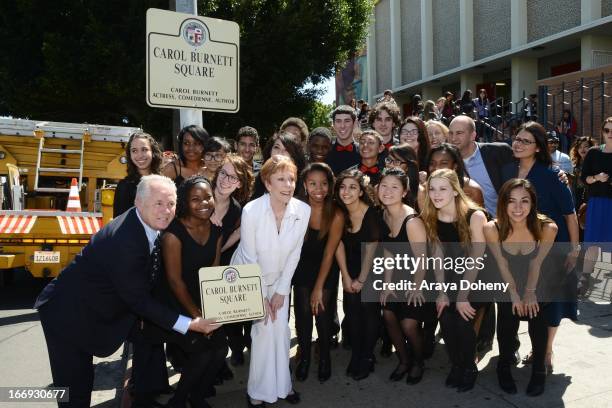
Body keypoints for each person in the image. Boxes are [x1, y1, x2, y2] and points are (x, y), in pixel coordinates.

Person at [34, 175, 220, 408]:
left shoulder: (148, 222)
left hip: (103, 307)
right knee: (75, 389)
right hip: (67, 315)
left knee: (86, 382)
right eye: (159, 203)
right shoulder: (125, 240)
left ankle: (145, 397)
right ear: (139, 203)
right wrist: (190, 323)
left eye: (171, 203)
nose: (166, 210)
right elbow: (138, 300)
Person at [231, 155, 310, 406]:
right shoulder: (251, 211)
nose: (288, 185)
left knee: (281, 332)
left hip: (280, 281)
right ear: (267, 183)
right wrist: (261, 297)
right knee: (263, 332)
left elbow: (295, 252)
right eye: (281, 179)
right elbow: (249, 255)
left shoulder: (303, 210)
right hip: (250, 277)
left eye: (292, 179)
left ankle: (282, 386)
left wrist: (281, 290)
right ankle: (257, 393)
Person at [501, 121, 580, 373]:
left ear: (538, 148)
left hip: (552, 245)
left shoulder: (551, 175)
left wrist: (574, 249)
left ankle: (545, 351)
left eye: (525, 141)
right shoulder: (507, 170)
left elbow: (570, 214)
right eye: (517, 138)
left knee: (551, 302)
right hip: (517, 247)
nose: (518, 143)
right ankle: (517, 348)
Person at [484, 178, 557, 396]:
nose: (517, 208)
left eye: (524, 201)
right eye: (511, 201)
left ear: (533, 203)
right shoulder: (492, 228)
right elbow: (501, 263)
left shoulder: (547, 228)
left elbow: (536, 263)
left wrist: (530, 293)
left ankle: (538, 370)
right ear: (503, 203)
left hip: (538, 281)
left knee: (538, 317)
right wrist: (514, 294)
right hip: (507, 281)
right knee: (507, 317)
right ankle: (504, 364)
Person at [161, 176, 228, 408]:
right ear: (184, 203)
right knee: (202, 354)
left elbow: (214, 272)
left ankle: (197, 396)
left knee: (220, 350)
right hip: (176, 303)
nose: (203, 203)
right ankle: (178, 401)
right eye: (195, 199)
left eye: (208, 197)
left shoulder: (217, 230)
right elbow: (174, 280)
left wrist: (217, 308)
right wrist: (197, 316)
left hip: (203, 299)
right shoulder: (173, 233)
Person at [420, 168, 488, 392]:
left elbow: (477, 259)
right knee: (445, 319)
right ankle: (457, 365)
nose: (436, 194)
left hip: (476, 277)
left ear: (456, 191)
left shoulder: (475, 216)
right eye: (432, 189)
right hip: (449, 276)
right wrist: (441, 292)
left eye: (443, 189)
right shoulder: (432, 216)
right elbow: (438, 257)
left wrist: (461, 296)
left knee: (461, 319)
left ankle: (469, 366)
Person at [378, 168, 430, 384]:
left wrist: (416, 288)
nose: (388, 191)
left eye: (394, 187)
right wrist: (387, 284)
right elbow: (389, 251)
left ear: (404, 191)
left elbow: (423, 259)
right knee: (388, 315)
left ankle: (418, 362)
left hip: (420, 277)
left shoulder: (412, 221)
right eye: (384, 185)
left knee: (409, 324)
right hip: (397, 274)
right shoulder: (384, 214)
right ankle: (403, 360)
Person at [292, 163, 344, 383]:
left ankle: (324, 357)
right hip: (302, 266)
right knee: (303, 315)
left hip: (326, 267)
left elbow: (329, 254)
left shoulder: (336, 213)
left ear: (330, 185)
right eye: (312, 183)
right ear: (304, 184)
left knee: (322, 315)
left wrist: (319, 287)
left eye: (323, 183)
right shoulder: (296, 207)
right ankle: (304, 357)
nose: (318, 188)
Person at [334, 169, 386, 381]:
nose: (346, 192)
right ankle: (356, 355)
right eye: (343, 187)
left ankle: (366, 356)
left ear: (362, 191)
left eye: (353, 187)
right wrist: (346, 277)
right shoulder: (338, 211)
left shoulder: (371, 212)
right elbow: (337, 244)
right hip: (350, 266)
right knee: (352, 310)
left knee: (369, 310)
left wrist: (362, 279)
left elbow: (373, 247)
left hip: (372, 267)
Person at [210, 155, 254, 367]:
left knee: (227, 317)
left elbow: (235, 234)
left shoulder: (237, 209)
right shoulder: (199, 194)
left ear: (240, 184)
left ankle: (233, 352)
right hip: (189, 264)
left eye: (233, 178)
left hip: (220, 263)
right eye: (223, 173)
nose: (225, 180)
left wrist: (217, 252)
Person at [419, 143, 484, 208]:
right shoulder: (423, 190)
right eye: (432, 163)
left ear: (455, 166)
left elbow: (481, 216)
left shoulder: (472, 190)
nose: (436, 168)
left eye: (443, 163)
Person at [581, 117, 612, 243]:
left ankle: (605, 264)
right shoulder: (593, 152)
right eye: (607, 130)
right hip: (596, 203)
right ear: (602, 132)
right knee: (592, 244)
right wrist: (596, 178)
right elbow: (584, 178)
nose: (610, 134)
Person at [251, 132, 306, 200]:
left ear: (294, 156)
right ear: (270, 151)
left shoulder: (303, 183)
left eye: (286, 150)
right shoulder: (260, 177)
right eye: (276, 147)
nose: (280, 152)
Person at [385, 144, 422, 210]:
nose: (390, 165)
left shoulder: (419, 191)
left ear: (408, 166)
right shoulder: (379, 187)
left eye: (397, 162)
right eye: (388, 160)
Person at [327, 105, 361, 175]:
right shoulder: (326, 152)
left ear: (354, 123)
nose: (342, 126)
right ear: (333, 124)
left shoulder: (364, 152)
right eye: (338, 121)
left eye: (347, 121)